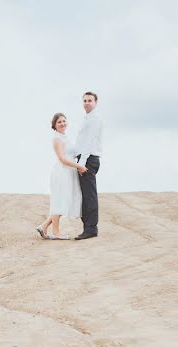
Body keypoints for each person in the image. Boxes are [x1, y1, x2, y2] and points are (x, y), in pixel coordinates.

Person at [37, 112, 85, 240]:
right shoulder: (57, 139)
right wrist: (79, 166)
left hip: (68, 172)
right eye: (59, 122)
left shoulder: (65, 137)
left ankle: (44, 226)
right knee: (59, 201)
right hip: (62, 172)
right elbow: (62, 159)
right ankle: (56, 232)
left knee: (64, 200)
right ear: (54, 125)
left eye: (64, 121)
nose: (62, 123)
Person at [73, 91, 103, 240]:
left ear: (96, 102)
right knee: (85, 194)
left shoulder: (94, 119)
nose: (87, 103)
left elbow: (89, 142)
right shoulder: (87, 119)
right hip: (84, 158)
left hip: (88, 159)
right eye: (84, 100)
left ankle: (91, 228)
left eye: (90, 100)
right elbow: (81, 142)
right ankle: (88, 227)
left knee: (89, 195)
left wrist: (81, 163)